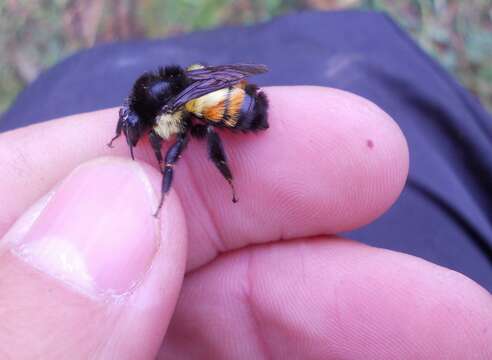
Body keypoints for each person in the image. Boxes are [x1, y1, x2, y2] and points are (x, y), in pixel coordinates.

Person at [0, 10, 491, 359]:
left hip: (236, 107)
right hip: (232, 87)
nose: (138, 135)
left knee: (194, 135)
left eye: (137, 128)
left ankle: (205, 185)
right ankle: (335, 27)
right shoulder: (165, 89)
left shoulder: (166, 112)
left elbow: (177, 135)